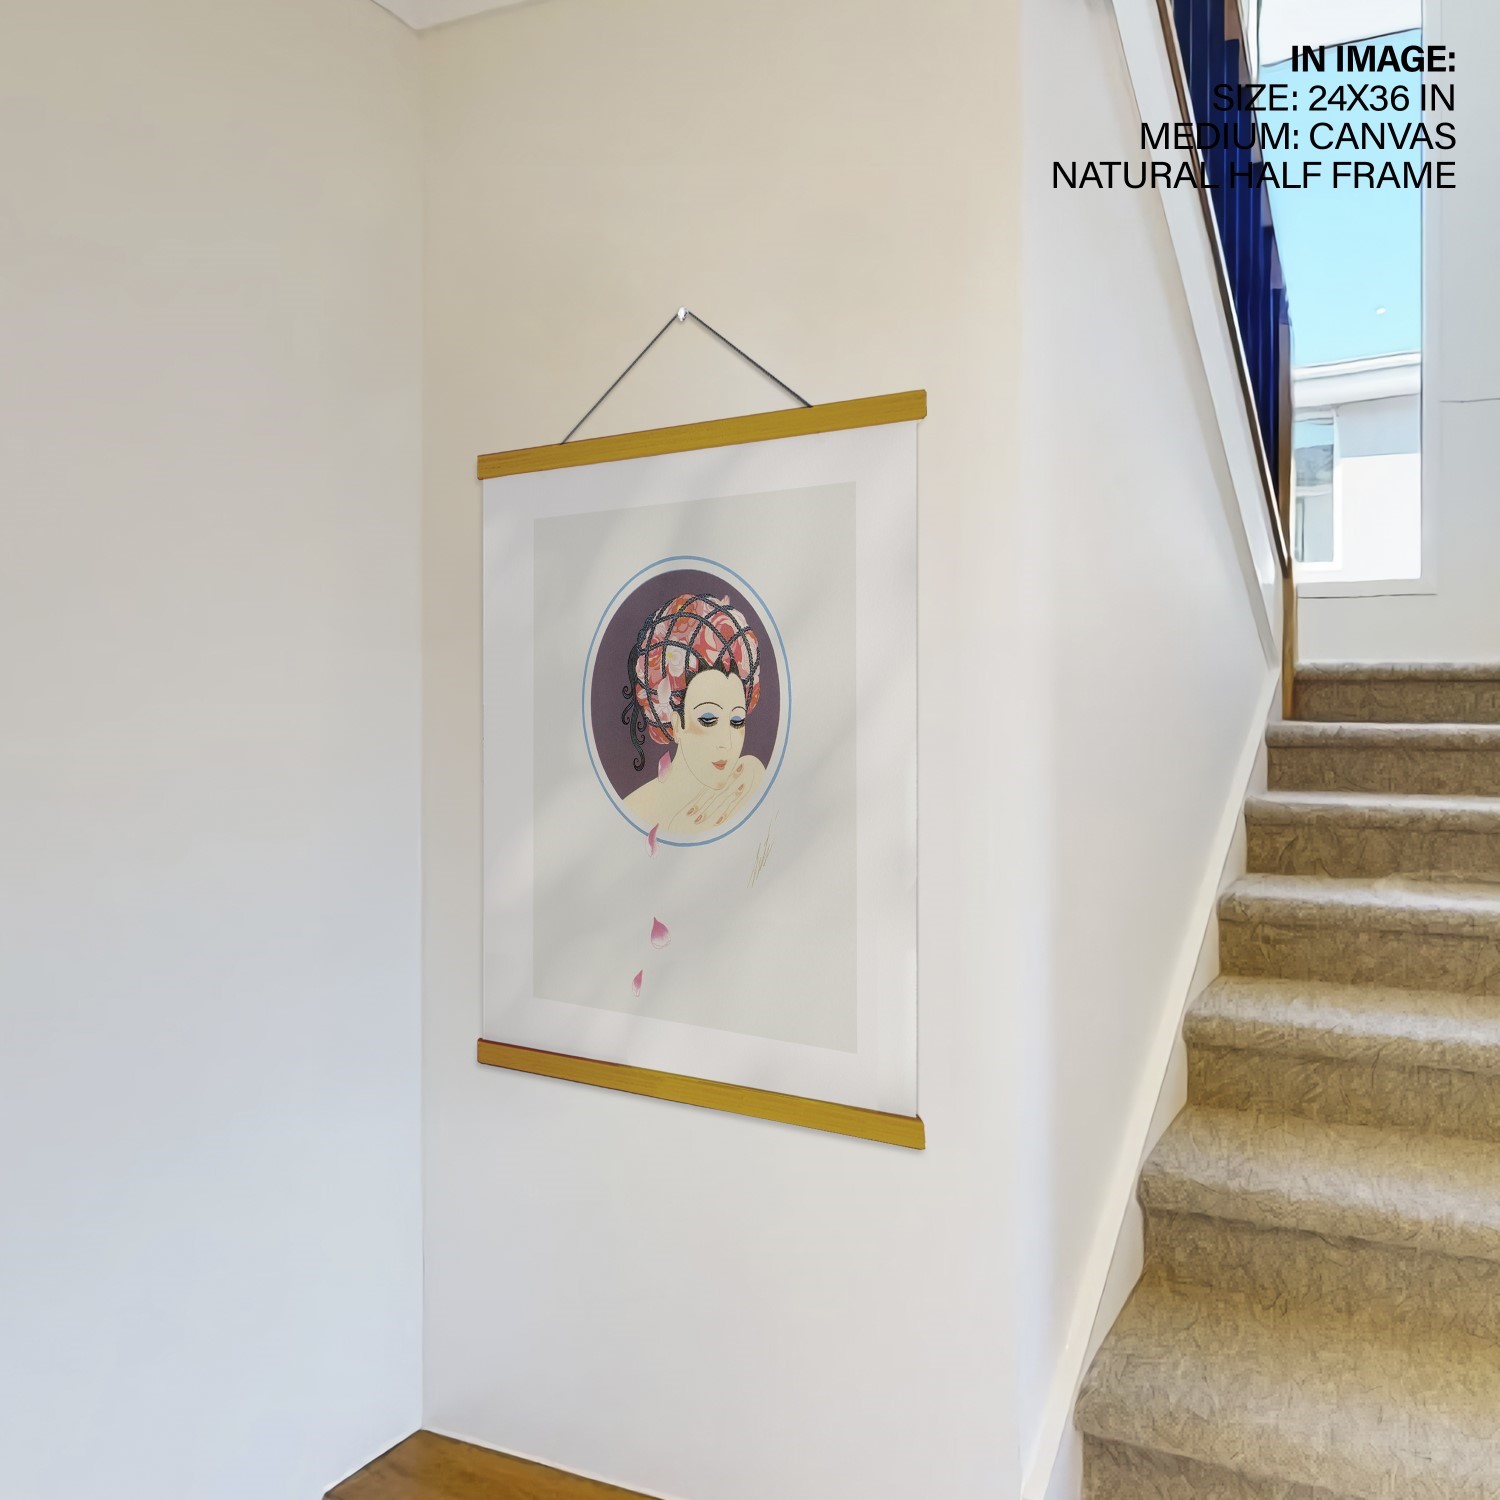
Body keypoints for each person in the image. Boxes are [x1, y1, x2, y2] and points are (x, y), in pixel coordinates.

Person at [620, 592, 766, 839]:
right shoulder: (635, 811)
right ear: (676, 723)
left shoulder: (748, 782)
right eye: (708, 720)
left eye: (737, 721)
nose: (726, 743)